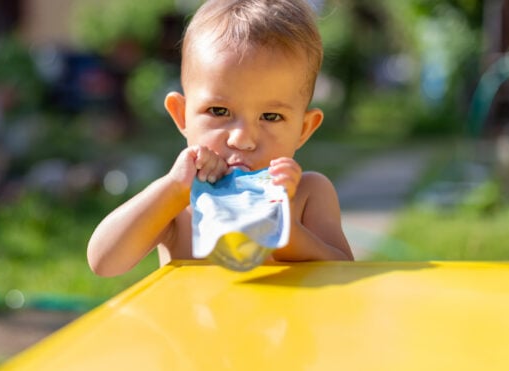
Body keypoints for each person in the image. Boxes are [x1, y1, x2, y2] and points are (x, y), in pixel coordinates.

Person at [88, 0, 353, 277]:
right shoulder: (180, 203)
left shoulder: (309, 194)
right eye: (219, 111)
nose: (242, 139)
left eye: (271, 117)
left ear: (303, 129)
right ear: (182, 116)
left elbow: (347, 272)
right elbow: (103, 263)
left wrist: (284, 232)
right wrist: (172, 189)